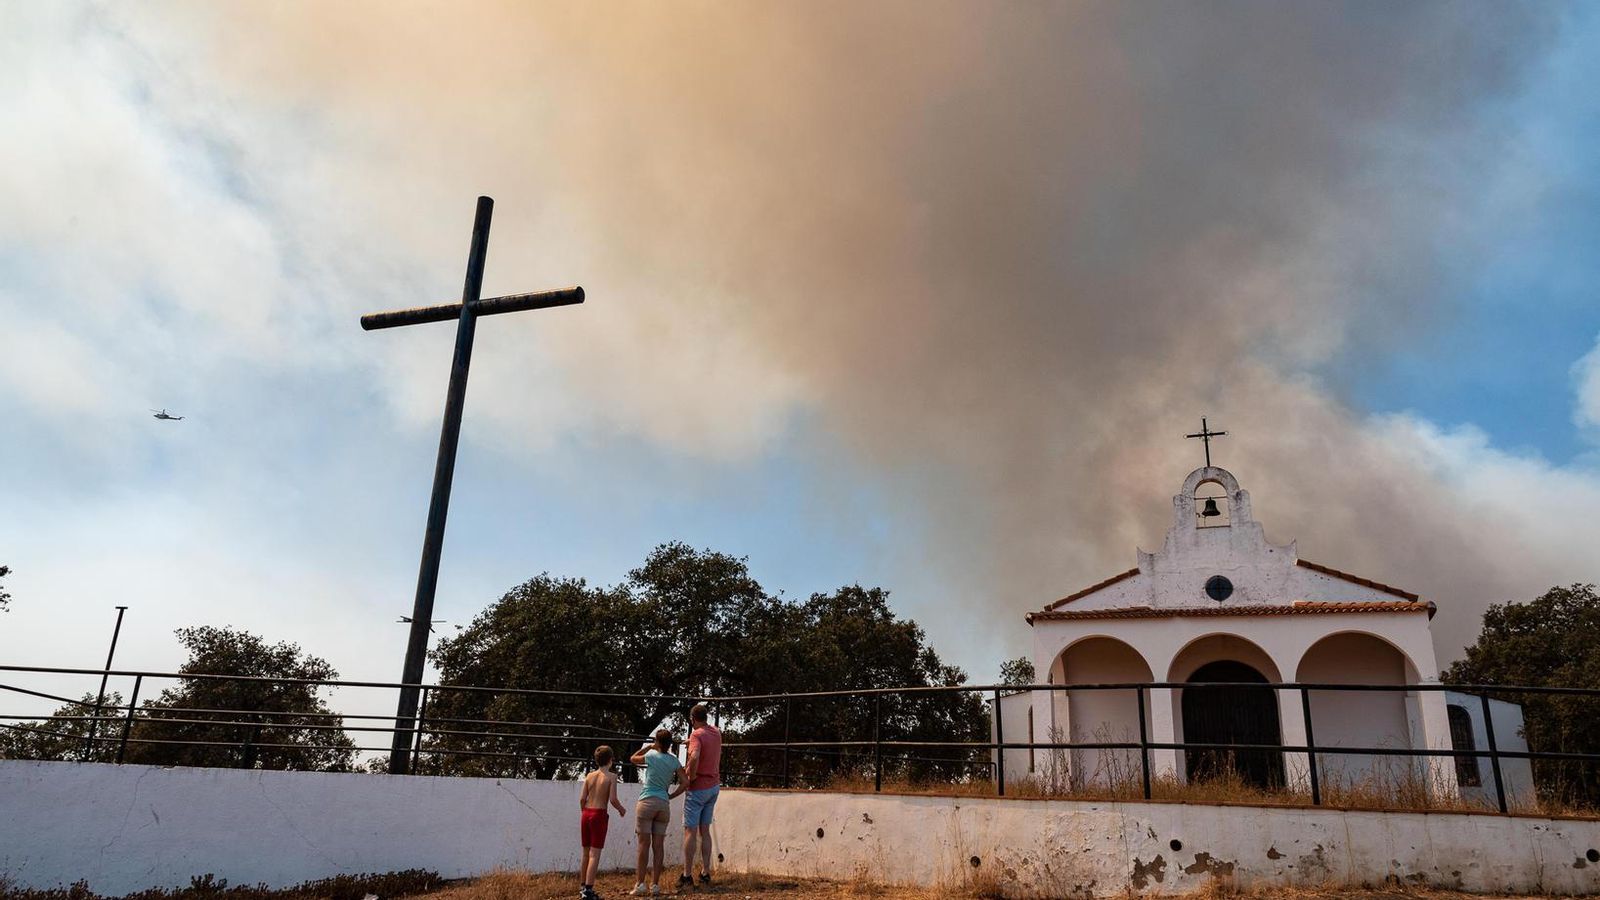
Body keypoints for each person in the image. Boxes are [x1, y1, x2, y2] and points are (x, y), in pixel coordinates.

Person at [629, 729, 685, 896]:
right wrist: (671, 795)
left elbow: (633, 759)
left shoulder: (652, 756)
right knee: (658, 846)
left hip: (647, 801)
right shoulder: (674, 761)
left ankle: (640, 884)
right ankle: (655, 885)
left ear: (657, 742)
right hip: (663, 803)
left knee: (643, 845)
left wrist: (648, 747)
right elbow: (685, 782)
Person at [678, 704, 722, 890]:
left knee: (690, 831)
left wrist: (691, 776)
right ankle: (705, 872)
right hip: (713, 786)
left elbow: (695, 756)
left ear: (692, 719)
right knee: (705, 831)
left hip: (698, 788)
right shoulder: (716, 732)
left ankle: (687, 875)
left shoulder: (696, 735)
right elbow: (706, 742)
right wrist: (691, 742)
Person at [579, 745, 627, 900]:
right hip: (599, 814)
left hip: (586, 813)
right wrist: (621, 809)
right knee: (595, 854)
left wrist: (584, 811)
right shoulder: (611, 777)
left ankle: (582, 886)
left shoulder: (589, 776)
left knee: (586, 853)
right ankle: (589, 890)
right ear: (611, 760)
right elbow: (612, 799)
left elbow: (582, 798)